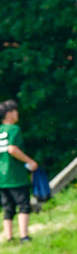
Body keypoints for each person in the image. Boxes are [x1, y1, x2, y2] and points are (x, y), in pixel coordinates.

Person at [0, 99, 38, 243]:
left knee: (7, 207)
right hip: (14, 175)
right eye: (15, 111)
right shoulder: (14, 129)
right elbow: (12, 149)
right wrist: (30, 161)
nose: (17, 113)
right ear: (9, 114)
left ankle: (9, 237)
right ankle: (24, 236)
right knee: (23, 205)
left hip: (1, 177)